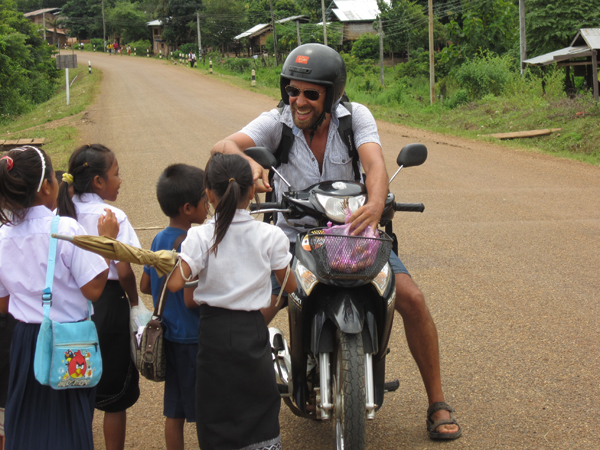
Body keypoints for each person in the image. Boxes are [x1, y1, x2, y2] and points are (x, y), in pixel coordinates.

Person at [210, 43, 462, 441]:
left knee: (411, 300)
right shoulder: (277, 122)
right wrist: (250, 164)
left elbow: (375, 162)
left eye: (311, 93)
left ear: (332, 93)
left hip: (355, 235)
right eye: (293, 91)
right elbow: (223, 146)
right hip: (292, 238)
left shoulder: (355, 117)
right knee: (255, 309)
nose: (299, 100)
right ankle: (229, 399)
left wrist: (376, 203)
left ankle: (438, 401)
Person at [167, 153, 297, 450]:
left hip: (212, 334)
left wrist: (179, 260)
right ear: (252, 191)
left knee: (216, 408)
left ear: (209, 195)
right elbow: (290, 284)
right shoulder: (270, 235)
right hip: (252, 330)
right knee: (259, 401)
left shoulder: (199, 236)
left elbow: (176, 283)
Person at [0, 146, 118, 449]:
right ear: (47, 186)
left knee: (27, 416)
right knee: (68, 419)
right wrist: (106, 242)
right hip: (68, 341)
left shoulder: (2, 236)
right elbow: (93, 289)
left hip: (26, 340)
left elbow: (3, 303)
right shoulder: (64, 228)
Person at [56, 144, 141, 450]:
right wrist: (134, 304)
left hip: (70, 308)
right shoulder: (112, 216)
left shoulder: (60, 214)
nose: (120, 180)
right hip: (110, 307)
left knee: (77, 385)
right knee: (114, 396)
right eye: (116, 174)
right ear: (98, 182)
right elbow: (126, 271)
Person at [140, 164, 208, 450]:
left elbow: (145, 285)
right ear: (188, 208)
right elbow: (195, 293)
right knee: (207, 411)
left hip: (170, 335)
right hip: (193, 337)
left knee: (175, 411)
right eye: (205, 200)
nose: (210, 204)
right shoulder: (191, 242)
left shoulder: (158, 239)